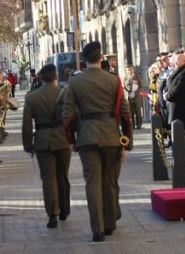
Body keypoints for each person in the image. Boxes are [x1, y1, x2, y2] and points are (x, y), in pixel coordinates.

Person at [62, 41, 133, 242]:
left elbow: (67, 116)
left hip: (86, 136)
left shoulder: (74, 82)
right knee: (110, 181)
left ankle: (97, 229)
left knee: (92, 183)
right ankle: (110, 223)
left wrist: (71, 140)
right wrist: (126, 141)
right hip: (111, 136)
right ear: (101, 57)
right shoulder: (114, 80)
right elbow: (125, 113)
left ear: (84, 60)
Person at [22, 64, 71, 229]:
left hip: (43, 141)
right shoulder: (64, 93)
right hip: (62, 139)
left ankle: (52, 214)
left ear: (41, 78)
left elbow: (27, 124)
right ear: (56, 76)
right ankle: (64, 209)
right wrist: (73, 139)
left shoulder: (31, 97)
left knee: (48, 178)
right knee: (62, 176)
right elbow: (72, 116)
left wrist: (28, 144)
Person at [123, 65, 143, 130]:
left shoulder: (137, 77)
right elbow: (124, 87)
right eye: (128, 69)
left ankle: (139, 124)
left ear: (133, 69)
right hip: (129, 97)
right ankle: (133, 125)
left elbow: (140, 86)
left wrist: (137, 90)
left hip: (137, 97)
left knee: (138, 111)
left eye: (130, 69)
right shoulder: (125, 78)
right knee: (130, 112)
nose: (129, 71)